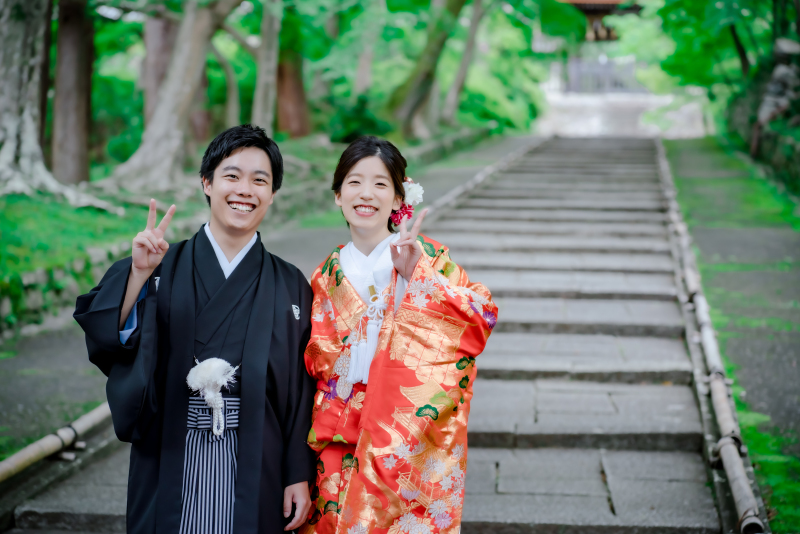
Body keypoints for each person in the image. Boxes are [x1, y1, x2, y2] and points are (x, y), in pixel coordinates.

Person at [74, 125, 315, 534]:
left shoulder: (290, 283)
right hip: (170, 448)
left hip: (256, 454)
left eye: (260, 180)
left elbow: (302, 388)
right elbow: (107, 338)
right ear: (207, 182)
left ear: (272, 194)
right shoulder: (159, 265)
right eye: (232, 176)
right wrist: (137, 274)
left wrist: (298, 471)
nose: (245, 190)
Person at [300, 136, 498, 534]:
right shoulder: (324, 276)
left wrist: (416, 278)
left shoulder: (429, 259)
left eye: (380, 184)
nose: (366, 194)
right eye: (354, 182)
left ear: (397, 199)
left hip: (404, 437)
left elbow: (479, 319)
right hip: (337, 436)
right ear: (338, 195)